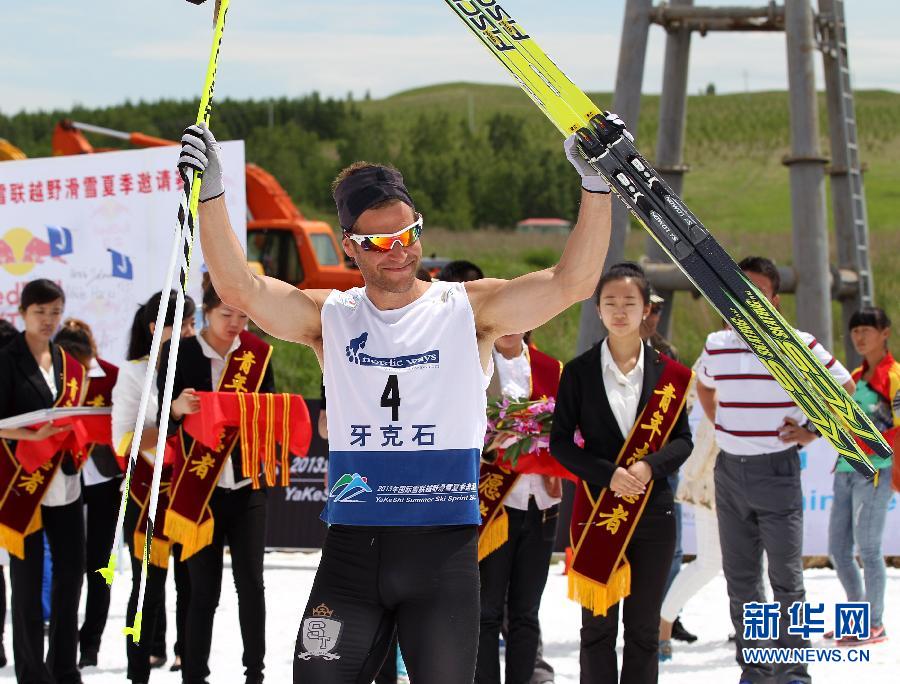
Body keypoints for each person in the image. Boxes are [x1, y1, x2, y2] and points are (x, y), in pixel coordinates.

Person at [178, 113, 612, 684]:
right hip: (352, 554)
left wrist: (597, 187)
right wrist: (209, 195)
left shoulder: (467, 309)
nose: (400, 252)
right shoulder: (330, 317)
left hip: (443, 556)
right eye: (380, 242)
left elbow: (570, 284)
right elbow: (242, 289)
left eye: (409, 234)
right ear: (350, 247)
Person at [696, 256, 854, 684]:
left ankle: (793, 670)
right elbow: (704, 386)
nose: (746, 300)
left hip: (777, 470)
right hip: (729, 471)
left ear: (774, 301)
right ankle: (756, 668)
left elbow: (846, 386)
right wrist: (724, 426)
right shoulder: (716, 343)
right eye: (737, 291)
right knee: (742, 579)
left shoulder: (798, 345)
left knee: (786, 577)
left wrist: (811, 431)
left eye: (757, 293)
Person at [550, 262, 693, 684]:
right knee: (596, 629)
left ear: (647, 309)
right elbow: (560, 444)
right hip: (598, 510)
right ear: (597, 309)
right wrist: (608, 474)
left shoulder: (670, 374)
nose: (619, 310)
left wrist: (650, 466)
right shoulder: (577, 372)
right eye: (609, 302)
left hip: (652, 513)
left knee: (644, 630)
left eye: (629, 302)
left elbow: (683, 440)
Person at [158, 281, 275, 684]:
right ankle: (194, 674)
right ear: (206, 312)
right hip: (197, 487)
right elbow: (159, 419)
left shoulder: (257, 356)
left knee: (251, 585)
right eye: (227, 315)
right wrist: (176, 409)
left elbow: (269, 410)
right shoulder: (181, 354)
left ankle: (254, 672)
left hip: (245, 486)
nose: (235, 324)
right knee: (202, 590)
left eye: (243, 317)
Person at [0, 279, 86, 684]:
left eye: (55, 311)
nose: (48, 320)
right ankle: (32, 674)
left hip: (65, 480)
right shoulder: (6, 359)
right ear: (24, 313)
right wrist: (28, 436)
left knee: (71, 577)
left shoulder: (69, 362)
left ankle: (64, 669)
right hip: (23, 484)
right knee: (28, 584)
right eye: (40, 312)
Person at [476, 330, 568, 684]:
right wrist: (491, 442)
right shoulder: (476, 365)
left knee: (527, 612)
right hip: (494, 502)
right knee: (487, 609)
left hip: (541, 500)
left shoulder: (550, 368)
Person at [113, 291, 195, 683]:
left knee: (192, 583)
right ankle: (138, 666)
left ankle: (187, 656)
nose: (188, 333)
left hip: (193, 486)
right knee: (146, 585)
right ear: (154, 328)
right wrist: (171, 422)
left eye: (193, 324)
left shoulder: (199, 368)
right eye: (179, 325)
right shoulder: (134, 373)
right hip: (149, 489)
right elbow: (123, 439)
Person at [52, 319, 123, 669]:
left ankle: (90, 643)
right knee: (65, 564)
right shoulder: (50, 374)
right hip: (61, 479)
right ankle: (59, 637)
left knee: (98, 566)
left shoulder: (111, 375)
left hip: (104, 480)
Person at [827, 306, 897, 645]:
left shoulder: (895, 376)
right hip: (844, 470)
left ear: (885, 333)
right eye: (855, 330)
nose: (859, 336)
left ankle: (875, 622)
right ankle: (856, 620)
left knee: (868, 549)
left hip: (875, 473)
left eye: (867, 329)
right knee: (838, 551)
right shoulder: (853, 375)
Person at [658, 362, 722, 660]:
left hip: (765, 467)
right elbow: (683, 396)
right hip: (714, 468)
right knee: (710, 562)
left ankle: (758, 637)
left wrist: (806, 430)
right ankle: (663, 625)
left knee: (762, 561)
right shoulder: (717, 347)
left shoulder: (783, 347)